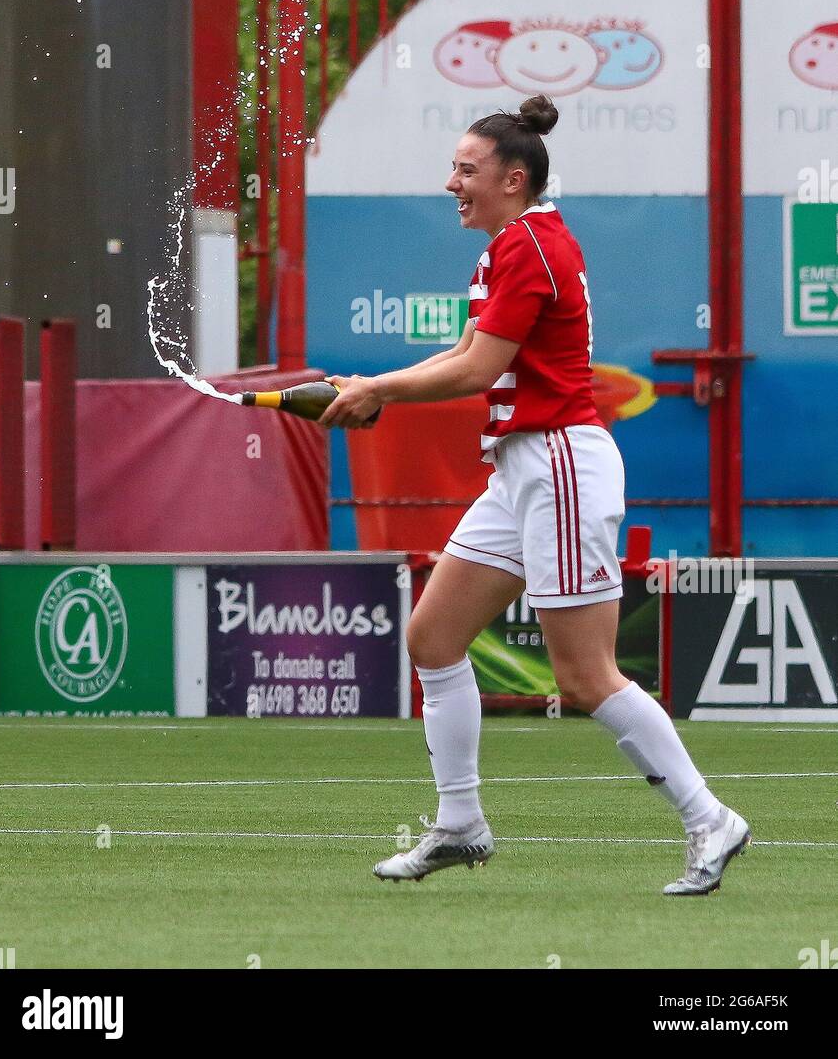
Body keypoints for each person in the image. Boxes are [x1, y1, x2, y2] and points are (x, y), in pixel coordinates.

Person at [321, 93, 751, 896]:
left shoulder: (530, 249)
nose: (452, 182)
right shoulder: (510, 245)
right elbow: (464, 351)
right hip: (522, 468)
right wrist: (372, 388)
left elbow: (478, 372)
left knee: (586, 678)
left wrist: (378, 387)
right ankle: (460, 826)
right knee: (434, 638)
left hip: (557, 465)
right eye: (454, 167)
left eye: (466, 169)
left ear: (513, 180)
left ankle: (709, 820)